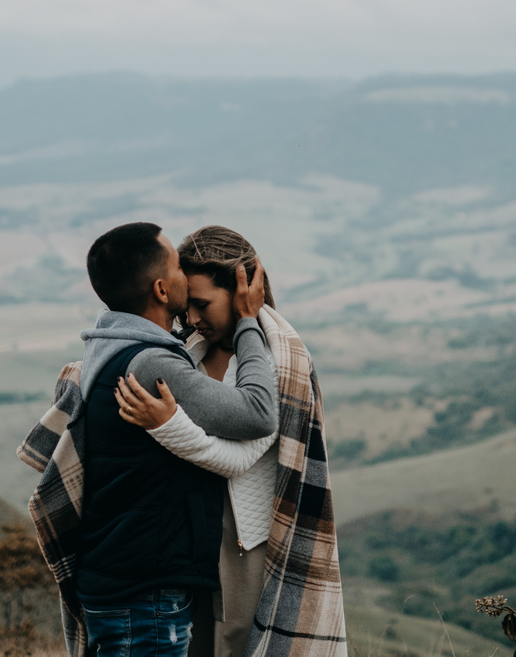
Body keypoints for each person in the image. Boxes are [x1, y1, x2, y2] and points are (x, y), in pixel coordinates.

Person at [17, 221, 278, 657]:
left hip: (121, 581)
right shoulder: (151, 364)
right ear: (161, 289)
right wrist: (249, 322)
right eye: (177, 267)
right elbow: (256, 412)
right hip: (144, 591)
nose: (184, 272)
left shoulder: (112, 346)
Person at [114, 225, 348, 657]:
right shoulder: (189, 349)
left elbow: (239, 460)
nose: (193, 318)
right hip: (185, 536)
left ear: (242, 292)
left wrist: (165, 424)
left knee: (237, 645)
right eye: (189, 305)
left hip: (242, 542)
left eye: (203, 305)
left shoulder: (280, 358)